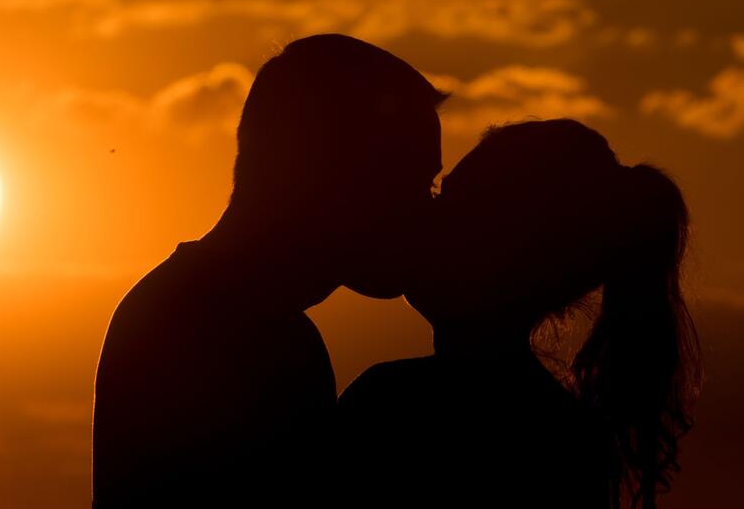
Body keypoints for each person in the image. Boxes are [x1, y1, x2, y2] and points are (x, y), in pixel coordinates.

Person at [92, 34, 448, 505]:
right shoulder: (238, 335)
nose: (427, 212)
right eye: (412, 181)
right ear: (327, 173)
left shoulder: (195, 309)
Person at [337, 119, 702, 508]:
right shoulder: (569, 438)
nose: (428, 214)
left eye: (456, 206)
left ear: (511, 253)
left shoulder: (391, 408)